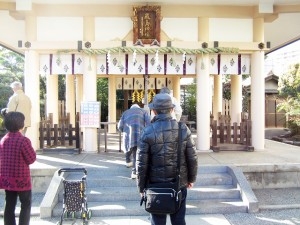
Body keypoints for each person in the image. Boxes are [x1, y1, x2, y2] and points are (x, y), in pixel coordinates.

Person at [136, 93, 198, 225]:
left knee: (157, 221)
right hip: (179, 183)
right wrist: (191, 179)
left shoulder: (147, 131)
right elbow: (192, 157)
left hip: (155, 185)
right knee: (179, 220)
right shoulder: (183, 129)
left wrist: (141, 187)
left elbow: (141, 164)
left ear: (153, 111)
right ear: (172, 110)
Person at [0, 111, 37, 225]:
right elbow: (31, 159)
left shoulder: (3, 140)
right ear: (21, 124)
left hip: (7, 179)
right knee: (25, 204)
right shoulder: (23, 140)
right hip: (22, 180)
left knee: (9, 204)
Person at [118, 103, 151, 179]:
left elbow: (120, 126)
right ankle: (134, 172)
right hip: (139, 134)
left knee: (129, 147)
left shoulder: (125, 112)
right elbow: (149, 123)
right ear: (138, 107)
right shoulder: (143, 112)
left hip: (128, 135)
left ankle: (128, 161)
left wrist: (123, 131)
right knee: (136, 152)